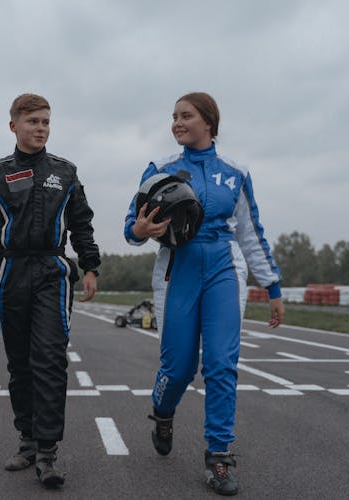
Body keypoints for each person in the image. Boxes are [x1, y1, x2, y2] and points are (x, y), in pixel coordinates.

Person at [123, 92, 284, 496]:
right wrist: (139, 231)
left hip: (223, 270)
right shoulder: (160, 168)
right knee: (178, 368)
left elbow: (250, 233)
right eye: (174, 117)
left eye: (185, 116)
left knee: (220, 364)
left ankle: (219, 457)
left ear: (208, 122)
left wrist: (273, 285)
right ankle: (163, 412)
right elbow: (132, 224)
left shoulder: (236, 172)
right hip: (178, 268)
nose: (176, 123)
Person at [0, 93, 101, 489]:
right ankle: (28, 440)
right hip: (11, 272)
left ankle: (48, 453)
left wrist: (90, 266)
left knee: (49, 359)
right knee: (20, 364)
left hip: (52, 269)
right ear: (13, 125)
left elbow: (82, 222)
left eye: (46, 122)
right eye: (33, 121)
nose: (41, 128)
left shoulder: (65, 172)